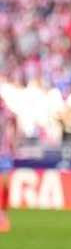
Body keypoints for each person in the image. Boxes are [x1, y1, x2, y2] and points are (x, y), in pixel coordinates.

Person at [0, 93, 16, 233]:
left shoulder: (6, 110)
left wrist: (14, 141)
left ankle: (3, 215)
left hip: (4, 153)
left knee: (5, 185)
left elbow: (15, 119)